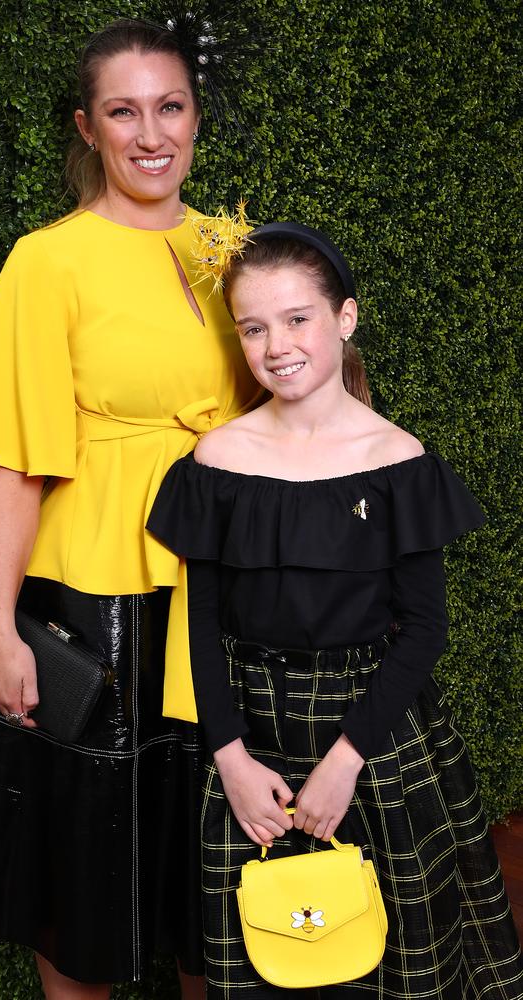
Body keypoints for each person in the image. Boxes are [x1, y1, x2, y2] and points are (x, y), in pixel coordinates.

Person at [0, 18, 263, 1000]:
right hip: (93, 605)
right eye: (123, 110)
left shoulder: (234, 252)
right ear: (88, 127)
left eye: (169, 106)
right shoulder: (48, 262)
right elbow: (9, 457)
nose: (149, 131)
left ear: (196, 119)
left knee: (209, 877)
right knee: (82, 878)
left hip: (219, 600)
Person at [147, 222, 523, 998]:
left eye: (297, 319)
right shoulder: (216, 461)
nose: (275, 345)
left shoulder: (399, 462)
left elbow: (424, 631)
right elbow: (204, 624)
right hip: (249, 738)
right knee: (263, 959)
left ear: (344, 319)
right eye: (252, 327)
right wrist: (230, 759)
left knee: (392, 962)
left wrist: (345, 763)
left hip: (374, 739)